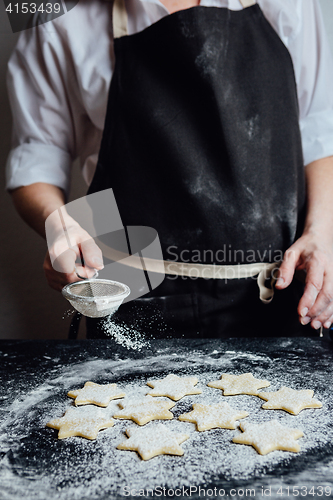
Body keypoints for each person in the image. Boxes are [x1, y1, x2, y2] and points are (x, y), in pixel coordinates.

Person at [6, 0, 333, 338]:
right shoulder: (58, 15)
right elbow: (39, 152)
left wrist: (323, 234)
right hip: (129, 300)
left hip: (276, 298)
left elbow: (320, 130)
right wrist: (59, 224)